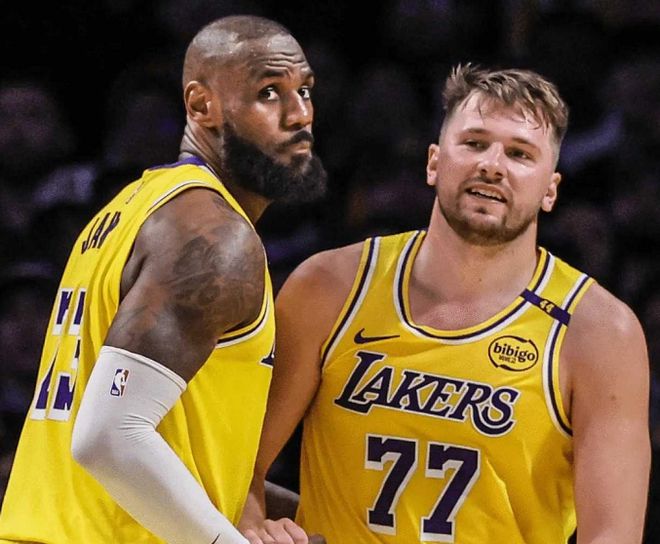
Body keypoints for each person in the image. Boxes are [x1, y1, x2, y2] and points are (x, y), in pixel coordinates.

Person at [239, 64, 651, 543]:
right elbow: (240, 466)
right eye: (474, 143)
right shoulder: (330, 287)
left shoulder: (598, 332)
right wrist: (253, 530)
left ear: (550, 190)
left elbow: (613, 535)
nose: (492, 165)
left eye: (519, 153)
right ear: (433, 162)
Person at [0, 14, 326, 544]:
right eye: (269, 93)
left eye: (305, 91)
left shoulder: (134, 207)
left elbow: (173, 453)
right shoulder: (214, 236)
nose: (299, 115)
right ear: (201, 105)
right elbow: (109, 438)